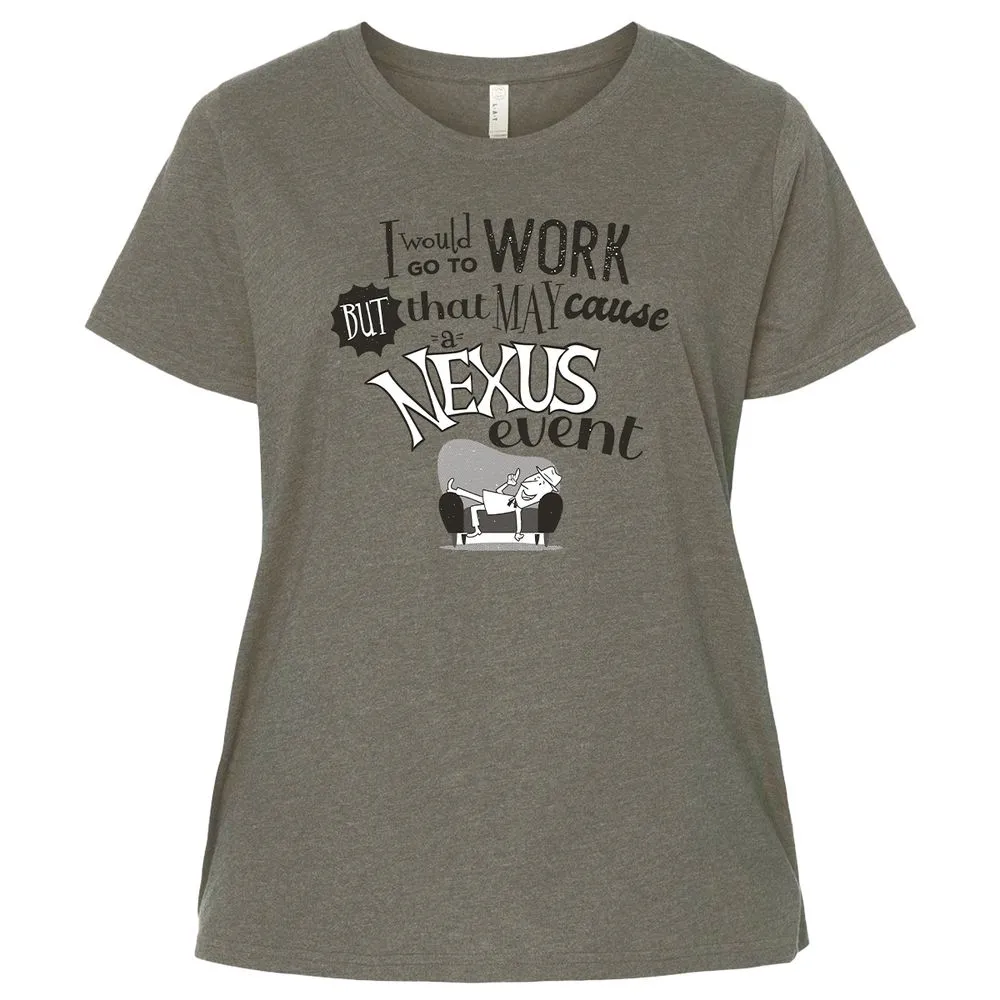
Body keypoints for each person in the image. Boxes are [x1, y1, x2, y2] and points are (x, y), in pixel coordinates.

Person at [447, 465, 561, 540]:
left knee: (479, 500)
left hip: (505, 504)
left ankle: (456, 491)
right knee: (475, 506)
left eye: (542, 483)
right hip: (505, 500)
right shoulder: (519, 494)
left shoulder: (522, 503)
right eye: (537, 478)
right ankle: (477, 529)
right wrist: (508, 483)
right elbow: (499, 491)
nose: (536, 482)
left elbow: (518, 518)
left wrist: (518, 533)